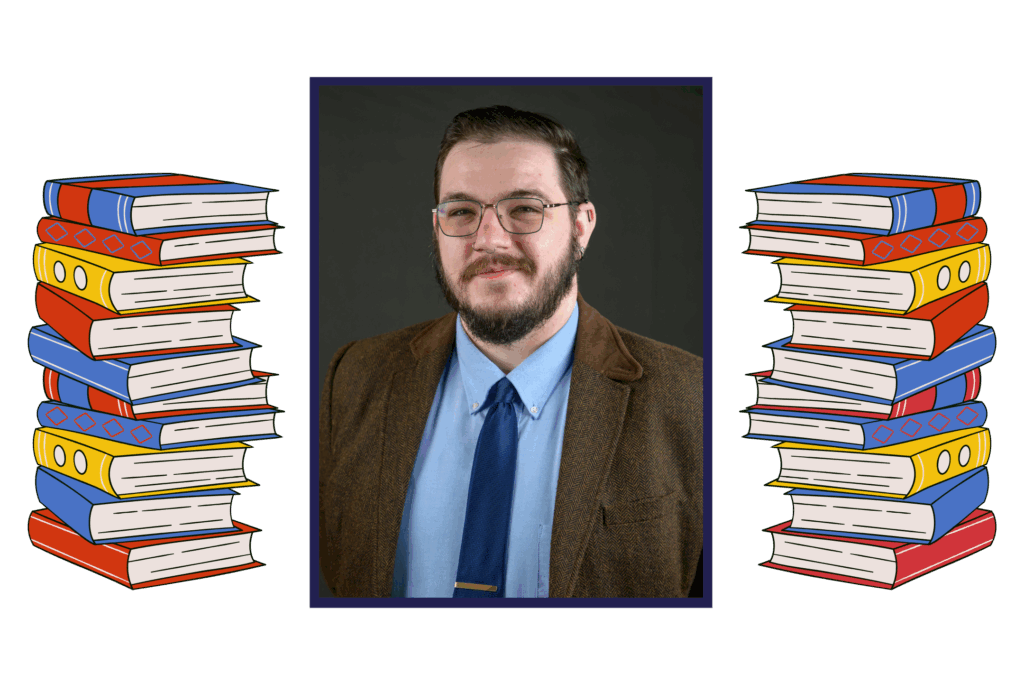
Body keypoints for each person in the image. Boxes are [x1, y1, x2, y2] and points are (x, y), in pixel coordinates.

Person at [319, 105, 702, 598]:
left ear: (581, 226)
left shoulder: (693, 399)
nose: (489, 239)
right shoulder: (352, 380)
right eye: (461, 211)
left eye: (524, 207)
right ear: (436, 228)